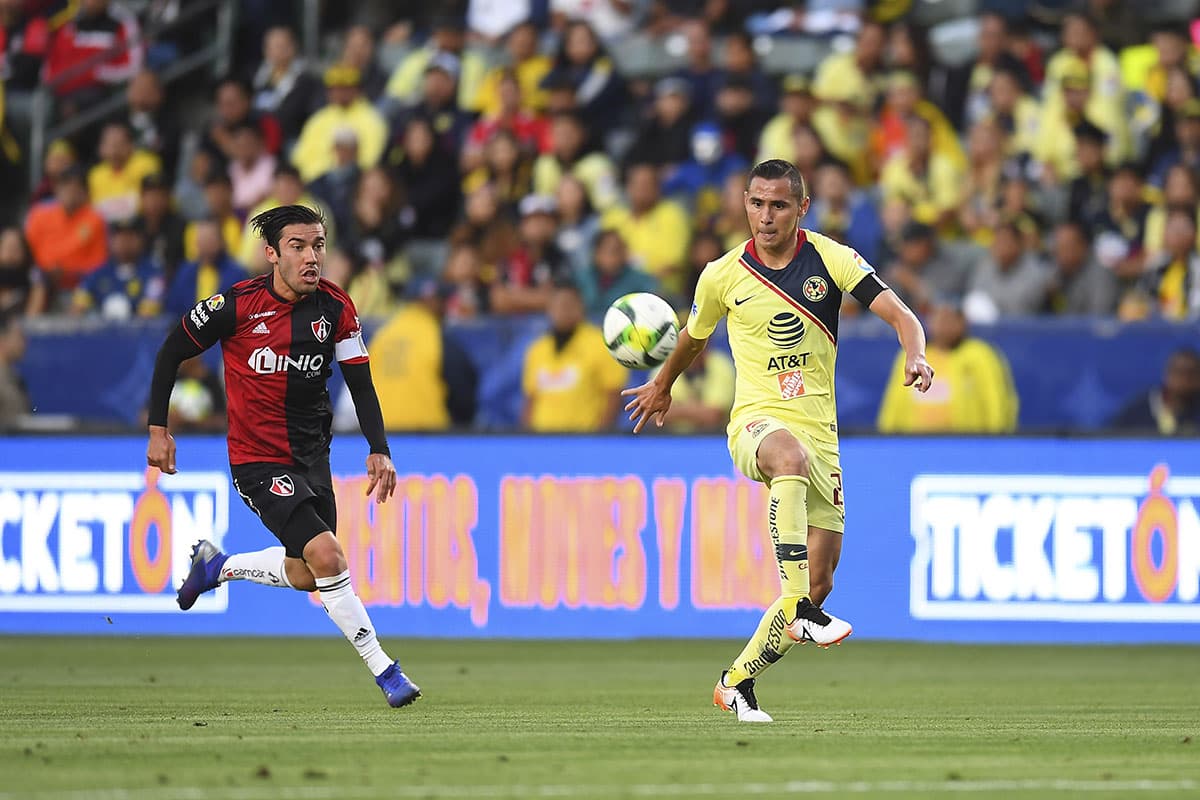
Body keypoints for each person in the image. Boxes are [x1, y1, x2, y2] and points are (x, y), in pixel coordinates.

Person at [622, 159, 933, 723]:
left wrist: (915, 351)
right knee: (786, 460)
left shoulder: (830, 259)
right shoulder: (721, 275)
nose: (766, 217)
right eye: (757, 203)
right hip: (757, 423)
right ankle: (797, 609)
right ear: (744, 203)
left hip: (823, 436)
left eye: (779, 205)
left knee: (823, 578)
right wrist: (663, 385)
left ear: (801, 208)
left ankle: (735, 682)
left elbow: (900, 313)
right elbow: (693, 338)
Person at [144, 204, 421, 709]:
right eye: (298, 246)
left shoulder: (338, 309)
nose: (311, 256)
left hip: (313, 460)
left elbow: (360, 383)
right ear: (271, 254)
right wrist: (158, 430)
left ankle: (217, 566)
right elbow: (170, 352)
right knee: (328, 556)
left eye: (318, 245)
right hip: (257, 461)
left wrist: (379, 449)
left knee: (305, 574)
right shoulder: (235, 305)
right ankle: (386, 670)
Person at [877, 302, 1017, 434]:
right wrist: (887, 437)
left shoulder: (980, 355)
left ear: (962, 323)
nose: (943, 326)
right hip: (915, 444)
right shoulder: (912, 355)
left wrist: (997, 438)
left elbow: (995, 400)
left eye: (949, 320)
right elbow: (894, 401)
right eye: (938, 319)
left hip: (967, 444)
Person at [1111, 347, 1200, 434]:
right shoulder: (1140, 409)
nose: (1184, 381)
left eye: (1191, 374)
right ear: (1167, 375)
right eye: (1179, 373)